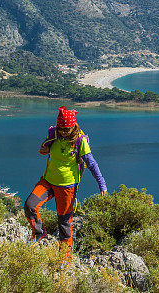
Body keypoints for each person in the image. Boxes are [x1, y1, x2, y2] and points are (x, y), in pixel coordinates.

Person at [24, 106, 107, 267]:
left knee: (64, 222)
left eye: (66, 129)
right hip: (48, 180)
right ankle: (39, 233)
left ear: (73, 126)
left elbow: (91, 163)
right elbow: (43, 150)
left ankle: (65, 257)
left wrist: (101, 183)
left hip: (67, 186)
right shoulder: (53, 134)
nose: (63, 132)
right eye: (61, 128)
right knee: (29, 206)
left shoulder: (80, 140)